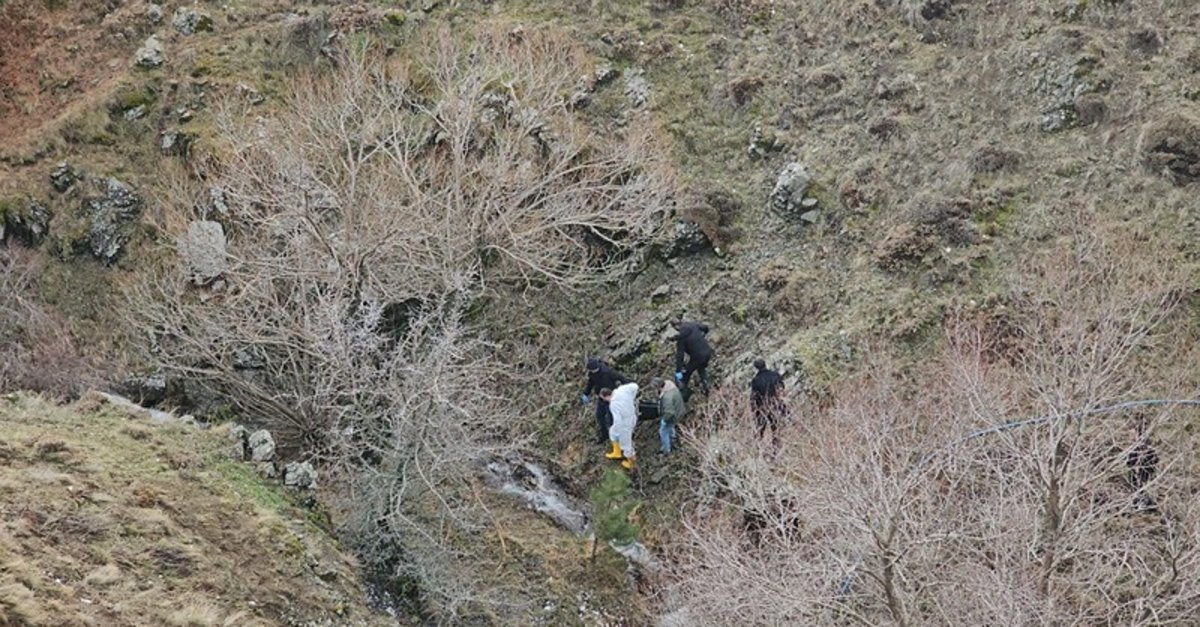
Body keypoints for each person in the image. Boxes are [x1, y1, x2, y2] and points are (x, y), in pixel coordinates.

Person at [582, 357, 631, 445]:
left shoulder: (608, 372)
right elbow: (591, 383)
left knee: (611, 418)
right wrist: (586, 393)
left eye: (591, 370)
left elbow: (621, 378)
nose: (590, 371)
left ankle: (616, 438)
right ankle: (604, 435)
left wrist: (626, 389)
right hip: (601, 397)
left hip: (611, 398)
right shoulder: (592, 374)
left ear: (595, 368)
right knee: (600, 416)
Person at [601, 382, 639, 470]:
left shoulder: (614, 404)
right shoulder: (622, 389)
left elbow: (617, 420)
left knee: (626, 444)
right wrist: (632, 398)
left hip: (625, 423)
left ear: (606, 396)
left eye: (604, 399)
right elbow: (635, 386)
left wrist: (617, 429)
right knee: (612, 433)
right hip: (632, 416)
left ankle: (632, 464)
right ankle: (617, 452)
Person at [670, 318, 713, 395]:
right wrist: (703, 335)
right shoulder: (692, 324)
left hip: (697, 357)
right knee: (701, 368)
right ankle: (707, 387)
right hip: (707, 352)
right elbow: (705, 327)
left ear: (675, 327)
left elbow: (680, 356)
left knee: (686, 374)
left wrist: (678, 371)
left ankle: (684, 393)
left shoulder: (681, 337)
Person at [749, 358, 785, 442]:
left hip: (762, 406)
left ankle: (759, 444)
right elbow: (782, 388)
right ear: (765, 364)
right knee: (776, 427)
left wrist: (754, 409)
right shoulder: (776, 375)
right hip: (776, 404)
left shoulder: (756, 380)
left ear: (756, 368)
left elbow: (754, 396)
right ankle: (776, 444)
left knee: (760, 428)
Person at [653, 377, 686, 455]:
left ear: (658, 387)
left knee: (663, 431)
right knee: (670, 427)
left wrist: (664, 420)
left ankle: (666, 451)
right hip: (679, 410)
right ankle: (673, 438)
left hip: (674, 415)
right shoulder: (670, 385)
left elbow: (670, 412)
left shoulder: (667, 397)